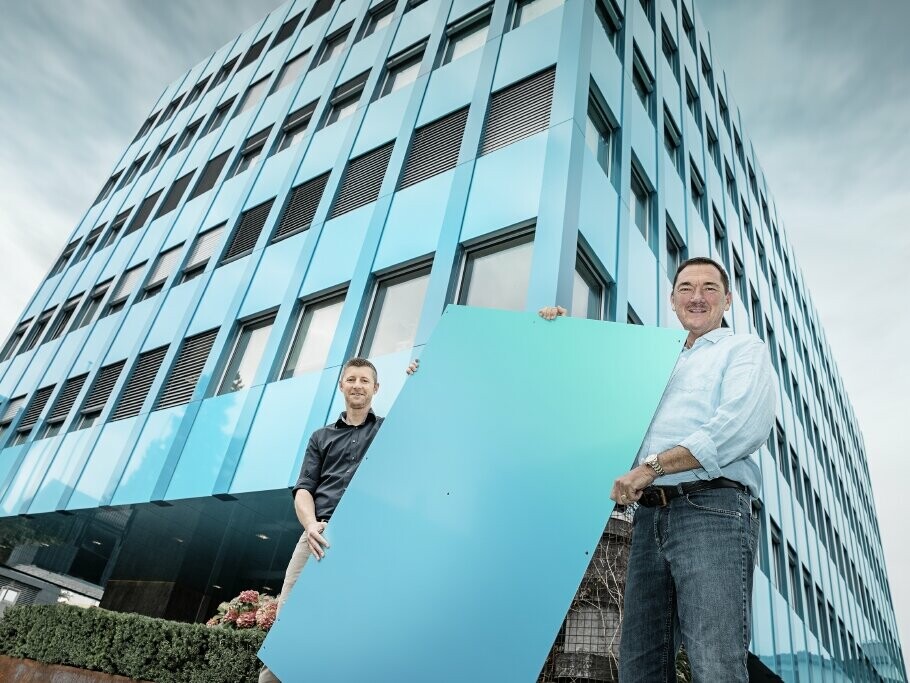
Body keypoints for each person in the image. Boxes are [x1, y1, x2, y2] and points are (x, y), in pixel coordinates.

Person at [539, 256, 776, 683]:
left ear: (727, 300)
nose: (697, 297)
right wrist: (558, 336)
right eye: (686, 287)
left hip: (711, 509)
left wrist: (653, 467)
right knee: (640, 666)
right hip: (647, 518)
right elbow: (591, 403)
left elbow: (741, 426)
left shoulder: (743, 350)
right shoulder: (653, 361)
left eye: (709, 288)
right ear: (672, 299)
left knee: (714, 660)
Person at [258, 356, 418, 683]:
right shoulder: (320, 437)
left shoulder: (389, 430)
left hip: (367, 539)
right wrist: (310, 524)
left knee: (357, 626)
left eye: (364, 380)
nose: (357, 385)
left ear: (376, 388)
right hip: (319, 535)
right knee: (289, 622)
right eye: (351, 379)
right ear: (341, 385)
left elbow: (423, 417)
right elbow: (304, 489)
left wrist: (418, 379)